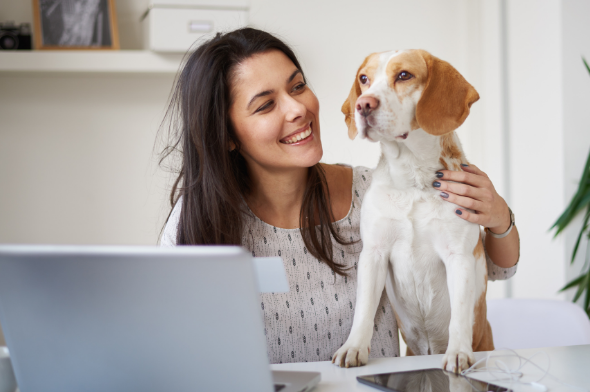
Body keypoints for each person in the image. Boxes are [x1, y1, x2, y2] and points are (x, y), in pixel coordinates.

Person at [158, 28, 520, 364]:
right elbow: (171, 347)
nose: (297, 108)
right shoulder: (197, 221)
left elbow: (493, 269)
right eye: (266, 105)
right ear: (227, 136)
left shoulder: (374, 192)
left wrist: (500, 219)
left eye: (297, 86)